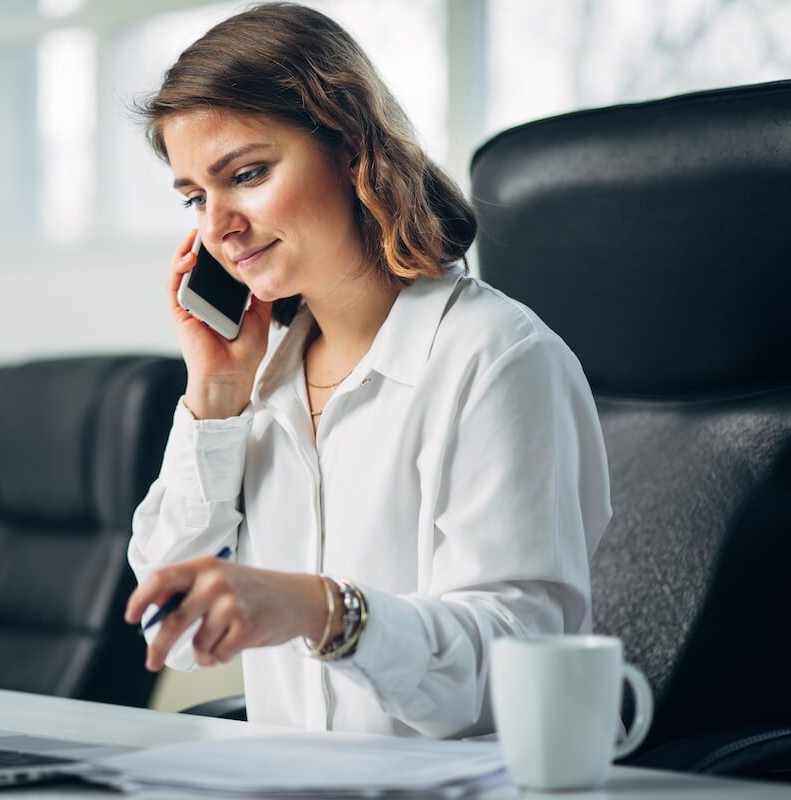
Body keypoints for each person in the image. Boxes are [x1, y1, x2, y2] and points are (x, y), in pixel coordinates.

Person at [123, 2, 611, 739]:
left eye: (246, 174)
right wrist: (217, 398)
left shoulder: (497, 359)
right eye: (195, 197)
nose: (215, 227)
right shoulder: (255, 379)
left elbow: (515, 675)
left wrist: (318, 609)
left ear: (350, 148)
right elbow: (175, 631)